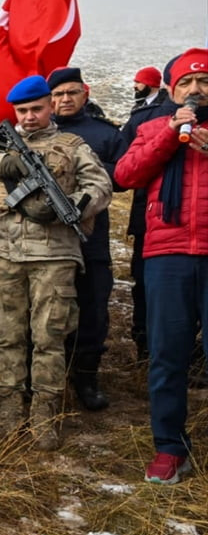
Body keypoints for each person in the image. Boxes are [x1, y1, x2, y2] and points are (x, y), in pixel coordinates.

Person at [0, 75, 112, 451]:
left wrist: (78, 203)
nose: (29, 117)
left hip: (54, 254)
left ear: (50, 107)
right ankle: (9, 413)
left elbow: (101, 186)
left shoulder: (73, 146)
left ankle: (45, 416)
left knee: (49, 337)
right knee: (7, 335)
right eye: (22, 111)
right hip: (5, 252)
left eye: (36, 109)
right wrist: (0, 164)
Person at [115, 48, 208, 484]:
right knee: (167, 354)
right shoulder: (154, 126)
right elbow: (127, 174)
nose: (195, 89)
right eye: (186, 83)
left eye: (203, 81)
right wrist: (170, 134)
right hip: (167, 255)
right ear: (171, 90)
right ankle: (170, 447)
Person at [47, 66, 122, 411]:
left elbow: (124, 173)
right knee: (47, 310)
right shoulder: (40, 130)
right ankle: (47, 377)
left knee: (92, 311)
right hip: (46, 239)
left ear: (85, 93)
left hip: (91, 239)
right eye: (58, 95)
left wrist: (81, 167)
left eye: (71, 93)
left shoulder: (104, 134)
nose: (65, 100)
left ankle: (86, 377)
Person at [118, 64, 177, 360]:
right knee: (148, 284)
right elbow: (124, 170)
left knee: (147, 285)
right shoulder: (144, 118)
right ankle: (149, 346)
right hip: (151, 216)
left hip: (153, 218)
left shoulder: (140, 115)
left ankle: (149, 345)